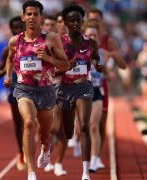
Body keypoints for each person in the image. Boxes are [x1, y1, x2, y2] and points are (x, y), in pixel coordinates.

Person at [3, 1, 70, 179]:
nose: (32, 17)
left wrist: (48, 58)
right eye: (29, 14)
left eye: (35, 14)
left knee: (45, 136)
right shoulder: (14, 41)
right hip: (24, 89)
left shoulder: (51, 38)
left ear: (41, 17)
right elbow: (10, 59)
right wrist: (9, 76)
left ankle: (46, 149)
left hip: (46, 90)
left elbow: (65, 64)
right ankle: (31, 171)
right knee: (29, 123)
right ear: (23, 17)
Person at [57, 4, 104, 180]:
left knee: (84, 126)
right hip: (64, 89)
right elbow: (51, 70)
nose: (76, 23)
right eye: (72, 21)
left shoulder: (91, 43)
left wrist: (97, 65)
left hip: (84, 87)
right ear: (67, 24)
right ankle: (69, 132)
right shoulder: (59, 43)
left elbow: (95, 59)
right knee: (68, 132)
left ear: (83, 21)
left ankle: (85, 172)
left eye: (78, 20)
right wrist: (63, 68)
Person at [87, 7, 127, 169]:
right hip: (82, 88)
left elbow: (122, 66)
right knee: (86, 125)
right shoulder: (83, 40)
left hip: (100, 86)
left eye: (97, 19)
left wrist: (115, 55)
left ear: (101, 21)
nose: (94, 22)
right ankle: (86, 151)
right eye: (91, 19)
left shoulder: (108, 41)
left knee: (99, 124)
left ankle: (96, 156)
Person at [0, 15, 26, 171]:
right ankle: (21, 152)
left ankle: (30, 147)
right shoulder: (8, 49)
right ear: (11, 29)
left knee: (30, 122)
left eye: (21, 27)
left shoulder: (33, 46)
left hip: (32, 88)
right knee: (18, 124)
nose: (18, 30)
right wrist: (6, 71)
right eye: (15, 27)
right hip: (14, 90)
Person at [43, 12, 69, 176]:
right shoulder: (40, 43)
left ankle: (59, 163)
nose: (54, 26)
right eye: (51, 24)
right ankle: (46, 155)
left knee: (63, 129)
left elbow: (69, 65)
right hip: (46, 89)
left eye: (58, 23)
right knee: (51, 129)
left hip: (66, 89)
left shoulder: (68, 43)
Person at [83, 19, 110, 172]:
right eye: (89, 34)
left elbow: (105, 73)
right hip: (82, 92)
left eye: (94, 34)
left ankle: (94, 159)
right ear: (85, 36)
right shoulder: (78, 51)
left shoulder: (103, 53)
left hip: (97, 91)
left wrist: (108, 74)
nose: (92, 36)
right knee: (84, 128)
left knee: (94, 126)